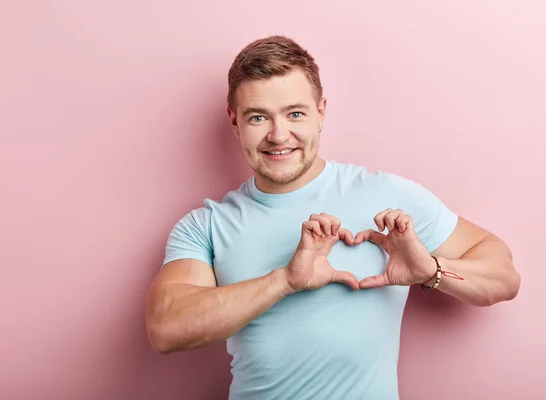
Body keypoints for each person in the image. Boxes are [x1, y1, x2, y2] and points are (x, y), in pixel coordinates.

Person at [145, 35, 521, 400]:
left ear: (321, 112)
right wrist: (285, 281)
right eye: (258, 117)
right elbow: (167, 328)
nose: (279, 135)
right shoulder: (206, 226)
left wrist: (431, 270)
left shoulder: (387, 197)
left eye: (295, 113)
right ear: (234, 120)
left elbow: (504, 278)